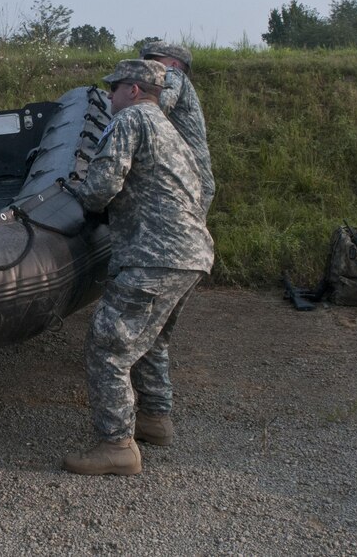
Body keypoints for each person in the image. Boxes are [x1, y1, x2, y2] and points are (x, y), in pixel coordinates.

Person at [63, 59, 214, 476]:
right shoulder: (171, 131)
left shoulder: (130, 120)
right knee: (152, 341)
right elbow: (200, 187)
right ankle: (155, 420)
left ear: (133, 90)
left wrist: (75, 193)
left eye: (113, 89)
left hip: (154, 256)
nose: (109, 97)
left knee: (108, 345)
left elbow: (101, 187)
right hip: (191, 255)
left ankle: (116, 446)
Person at [139, 40, 216, 217]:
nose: (145, 65)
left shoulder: (173, 74)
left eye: (152, 59)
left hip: (190, 173)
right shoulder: (181, 83)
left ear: (173, 64)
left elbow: (164, 103)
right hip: (189, 171)